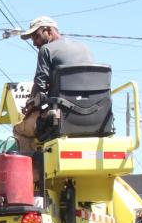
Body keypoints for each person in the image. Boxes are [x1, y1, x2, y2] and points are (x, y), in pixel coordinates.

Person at [12, 15, 94, 154]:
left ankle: (33, 167)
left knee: (19, 129)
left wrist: (30, 105)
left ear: (48, 30)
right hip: (94, 114)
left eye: (36, 36)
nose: (34, 43)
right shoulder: (84, 48)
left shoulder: (46, 50)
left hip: (61, 116)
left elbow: (40, 87)